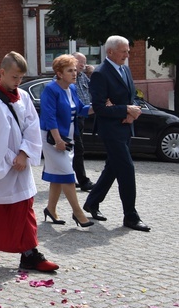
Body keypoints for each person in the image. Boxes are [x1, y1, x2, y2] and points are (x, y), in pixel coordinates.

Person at [0, 51, 58, 272]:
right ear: (2, 73)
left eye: (21, 78)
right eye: (14, 77)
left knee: (23, 205)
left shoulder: (22, 96)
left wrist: (24, 153)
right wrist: (10, 160)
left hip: (19, 160)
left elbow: (33, 125)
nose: (18, 82)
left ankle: (29, 253)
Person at [83, 35, 150, 232]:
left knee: (113, 167)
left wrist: (133, 112)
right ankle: (130, 216)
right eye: (124, 51)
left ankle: (92, 202)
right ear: (110, 52)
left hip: (125, 126)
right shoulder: (100, 74)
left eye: (128, 51)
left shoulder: (126, 69)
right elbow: (100, 108)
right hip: (110, 131)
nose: (127, 55)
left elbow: (132, 97)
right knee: (126, 170)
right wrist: (125, 110)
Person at [39, 55, 94, 227]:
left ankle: (50, 209)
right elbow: (49, 117)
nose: (75, 73)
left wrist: (99, 107)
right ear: (59, 73)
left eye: (75, 70)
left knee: (58, 176)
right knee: (68, 175)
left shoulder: (72, 89)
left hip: (68, 136)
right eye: (70, 70)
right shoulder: (51, 90)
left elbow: (81, 110)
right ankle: (78, 213)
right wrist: (57, 140)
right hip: (52, 138)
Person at [71, 52, 95, 192]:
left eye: (84, 62)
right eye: (80, 61)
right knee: (78, 149)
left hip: (82, 117)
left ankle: (67, 179)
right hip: (72, 118)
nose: (82, 65)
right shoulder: (64, 78)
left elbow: (94, 89)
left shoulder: (83, 77)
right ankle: (83, 181)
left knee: (74, 150)